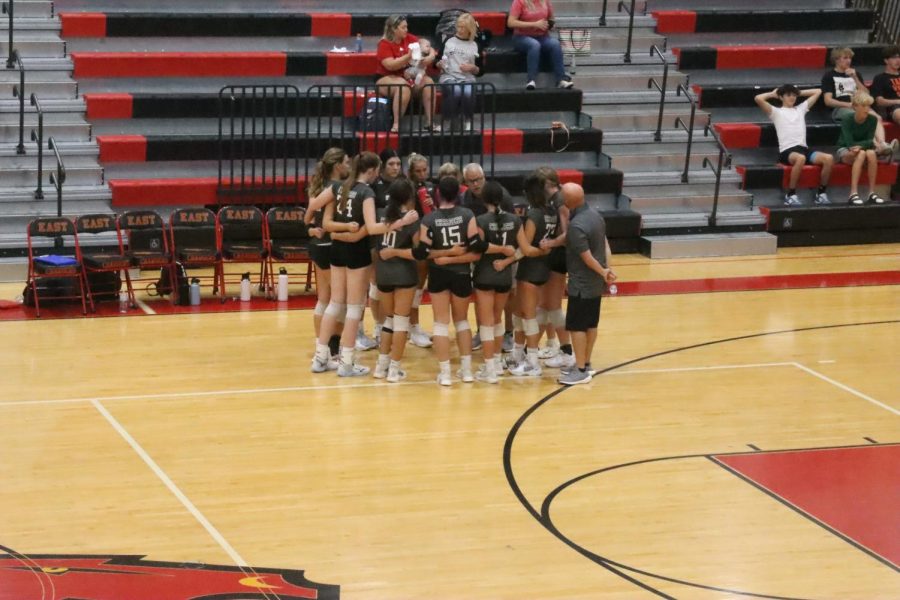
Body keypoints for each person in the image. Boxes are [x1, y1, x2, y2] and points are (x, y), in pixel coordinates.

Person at [417, 176, 480, 386]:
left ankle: (445, 374)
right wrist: (455, 255)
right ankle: (467, 370)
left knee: (440, 322)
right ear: (458, 194)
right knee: (462, 321)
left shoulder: (429, 219)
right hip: (462, 273)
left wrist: (443, 256)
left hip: (439, 273)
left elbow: (423, 253)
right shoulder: (468, 214)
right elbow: (475, 248)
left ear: (438, 194)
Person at [557, 182, 615, 386]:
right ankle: (586, 363)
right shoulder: (595, 216)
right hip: (595, 284)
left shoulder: (576, 225)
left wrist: (603, 270)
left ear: (568, 201)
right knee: (591, 323)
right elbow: (604, 244)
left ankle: (580, 370)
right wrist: (607, 270)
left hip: (581, 283)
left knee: (577, 326)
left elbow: (587, 257)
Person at [508, 168, 560, 377]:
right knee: (522, 315)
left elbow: (527, 248)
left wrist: (508, 256)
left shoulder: (534, 213)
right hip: (543, 268)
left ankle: (532, 362)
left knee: (528, 317)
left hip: (530, 270)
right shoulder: (551, 211)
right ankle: (518, 355)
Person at [304, 147, 350, 371]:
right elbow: (312, 209)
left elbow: (307, 218)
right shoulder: (334, 188)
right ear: (338, 165)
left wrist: (311, 228)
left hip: (317, 246)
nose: (349, 166)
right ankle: (328, 351)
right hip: (329, 245)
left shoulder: (316, 185)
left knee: (324, 298)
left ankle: (320, 349)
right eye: (347, 162)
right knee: (338, 301)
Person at [372, 179, 421, 383]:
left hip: (383, 275)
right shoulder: (411, 220)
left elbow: (374, 247)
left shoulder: (380, 215)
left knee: (388, 320)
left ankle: (380, 366)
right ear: (409, 197)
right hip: (404, 275)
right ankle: (394, 369)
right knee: (401, 321)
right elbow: (418, 253)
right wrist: (398, 252)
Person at [472, 181, 520, 383]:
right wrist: (507, 259)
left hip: (485, 274)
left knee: (486, 322)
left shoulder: (480, 220)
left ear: (484, 199)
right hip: (504, 276)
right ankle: (498, 363)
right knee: (498, 319)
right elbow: (522, 249)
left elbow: (479, 247)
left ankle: (490, 368)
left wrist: (498, 250)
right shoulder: (515, 220)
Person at [754, 85, 833, 206]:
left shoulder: (800, 109)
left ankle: (821, 193)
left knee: (829, 159)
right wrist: (772, 94)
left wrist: (797, 92)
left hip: (803, 149)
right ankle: (791, 194)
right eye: (788, 95)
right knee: (800, 158)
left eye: (793, 95)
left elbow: (818, 91)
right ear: (781, 97)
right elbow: (758, 98)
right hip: (787, 151)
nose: (792, 98)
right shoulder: (776, 112)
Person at [823, 47, 892, 157]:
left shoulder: (856, 74)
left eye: (850, 58)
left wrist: (855, 78)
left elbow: (867, 94)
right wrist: (849, 105)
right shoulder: (829, 76)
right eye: (845, 58)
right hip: (841, 108)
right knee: (863, 116)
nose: (848, 60)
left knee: (877, 117)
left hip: (860, 105)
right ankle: (875, 146)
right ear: (836, 59)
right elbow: (828, 101)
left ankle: (882, 144)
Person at [375, 15, 439, 132]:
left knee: (428, 83)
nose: (406, 30)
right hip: (387, 77)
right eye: (403, 27)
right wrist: (408, 56)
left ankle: (430, 122)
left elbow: (427, 47)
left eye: (406, 27)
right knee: (402, 86)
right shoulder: (384, 44)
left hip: (410, 76)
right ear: (394, 29)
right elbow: (391, 65)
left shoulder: (410, 39)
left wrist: (430, 56)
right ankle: (396, 124)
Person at [507, 0, 574, 90]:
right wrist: (534, 24)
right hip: (521, 36)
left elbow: (551, 19)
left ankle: (561, 79)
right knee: (534, 45)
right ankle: (531, 80)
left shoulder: (545, 2)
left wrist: (550, 25)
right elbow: (511, 22)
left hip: (542, 36)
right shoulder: (519, 2)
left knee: (555, 44)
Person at [837, 92, 887, 205]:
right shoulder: (847, 119)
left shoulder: (872, 120)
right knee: (862, 154)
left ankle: (872, 193)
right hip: (845, 149)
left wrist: (862, 146)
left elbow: (870, 140)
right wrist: (862, 146)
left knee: (870, 153)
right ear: (855, 107)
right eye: (863, 106)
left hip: (862, 149)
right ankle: (853, 193)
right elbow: (849, 143)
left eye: (868, 106)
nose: (867, 109)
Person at [406, 153, 435, 348]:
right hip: (414, 240)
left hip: (429, 237)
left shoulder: (430, 187)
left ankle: (414, 326)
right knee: (416, 284)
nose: (422, 174)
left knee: (421, 284)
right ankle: (412, 326)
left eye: (425, 170)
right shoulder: (407, 188)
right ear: (410, 172)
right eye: (418, 171)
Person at [437, 12, 481, 132]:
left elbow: (480, 69)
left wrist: (472, 68)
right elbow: (437, 59)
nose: (460, 30)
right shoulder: (448, 40)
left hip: (467, 77)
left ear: (470, 29)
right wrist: (439, 64)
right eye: (459, 27)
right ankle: (447, 120)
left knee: (467, 92)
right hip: (449, 75)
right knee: (455, 90)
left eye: (464, 28)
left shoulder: (475, 44)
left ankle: (468, 120)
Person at [871, 45, 900, 129]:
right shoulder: (880, 78)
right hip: (893, 108)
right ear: (886, 60)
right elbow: (879, 101)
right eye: (894, 58)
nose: (898, 60)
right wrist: (897, 101)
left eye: (899, 57)